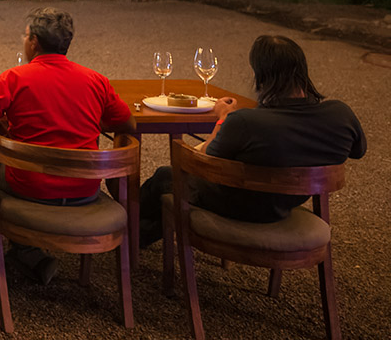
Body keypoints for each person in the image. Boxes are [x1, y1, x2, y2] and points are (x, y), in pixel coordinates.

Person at [138, 35, 367, 245]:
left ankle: (130, 233)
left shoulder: (246, 122)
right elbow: (358, 151)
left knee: (165, 176)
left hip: (240, 206)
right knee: (168, 189)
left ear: (261, 76)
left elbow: (204, 162)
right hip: (288, 203)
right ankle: (140, 233)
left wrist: (223, 119)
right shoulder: (341, 115)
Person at [0, 7, 135, 285]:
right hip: (85, 189)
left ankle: (23, 251)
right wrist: (96, 122)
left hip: (31, 188)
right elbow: (129, 125)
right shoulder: (97, 81)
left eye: (26, 35)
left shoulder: (13, 78)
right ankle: (29, 254)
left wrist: (1, 122)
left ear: (33, 42)